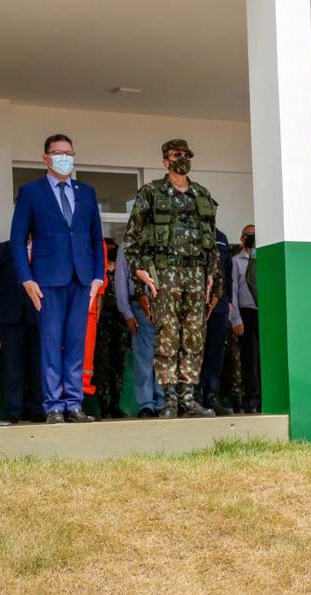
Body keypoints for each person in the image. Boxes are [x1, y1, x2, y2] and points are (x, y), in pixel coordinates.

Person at [10, 134, 105, 424]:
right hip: (47, 281)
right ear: (46, 158)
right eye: (58, 153)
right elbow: (17, 240)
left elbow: (95, 237)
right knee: (51, 343)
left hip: (81, 279)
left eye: (69, 152)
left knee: (76, 342)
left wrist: (98, 277)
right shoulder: (31, 192)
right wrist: (27, 279)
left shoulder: (86, 192)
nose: (65, 157)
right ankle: (53, 406)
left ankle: (74, 404)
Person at [123, 138, 217, 419]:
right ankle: (169, 401)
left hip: (196, 276)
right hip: (165, 275)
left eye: (186, 154)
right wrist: (143, 278)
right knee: (166, 340)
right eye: (176, 155)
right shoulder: (150, 193)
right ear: (165, 160)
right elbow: (132, 242)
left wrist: (212, 278)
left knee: (193, 338)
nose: (182, 159)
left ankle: (188, 399)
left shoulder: (201, 194)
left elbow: (212, 243)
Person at [0, 237, 43, 423]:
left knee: (38, 366)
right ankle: (13, 411)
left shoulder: (45, 247)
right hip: (9, 317)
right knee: (12, 367)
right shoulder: (2, 249)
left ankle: (37, 410)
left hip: (38, 317)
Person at [115, 243, 163, 419]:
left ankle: (162, 403)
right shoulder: (128, 245)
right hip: (139, 307)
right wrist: (126, 312)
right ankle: (146, 405)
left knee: (165, 356)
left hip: (166, 307)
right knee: (144, 357)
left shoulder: (165, 239)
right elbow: (121, 280)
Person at [199, 228, 235, 416]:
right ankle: (194, 395)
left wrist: (228, 300)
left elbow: (227, 271)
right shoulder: (194, 231)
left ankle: (211, 394)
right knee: (195, 350)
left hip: (219, 304)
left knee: (215, 352)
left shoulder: (221, 238)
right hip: (196, 302)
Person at [94, 241, 129, 419]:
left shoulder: (121, 272)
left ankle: (115, 403)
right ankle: (103, 403)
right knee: (101, 364)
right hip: (102, 323)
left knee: (118, 364)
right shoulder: (99, 271)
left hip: (120, 322)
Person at [230, 224, 261, 413]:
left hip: (263, 314)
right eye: (248, 235)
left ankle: (264, 396)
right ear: (242, 239)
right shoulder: (235, 261)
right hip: (246, 315)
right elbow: (232, 291)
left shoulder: (262, 258)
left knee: (263, 359)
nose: (251, 238)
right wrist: (236, 319)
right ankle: (252, 399)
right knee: (250, 359)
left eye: (255, 235)